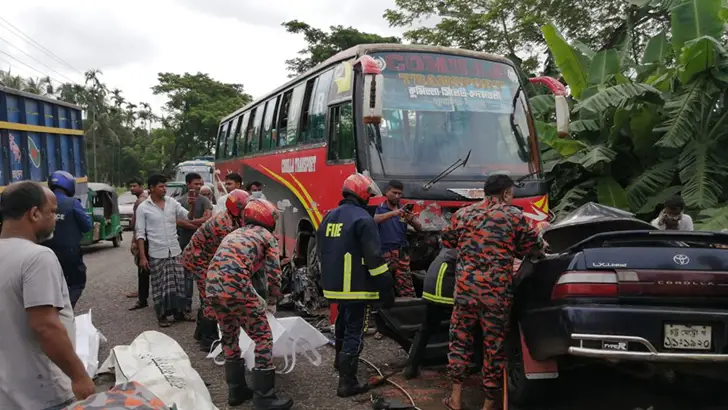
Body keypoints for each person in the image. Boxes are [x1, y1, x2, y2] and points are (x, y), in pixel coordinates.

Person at [442, 174, 545, 410]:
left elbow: (447, 240)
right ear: (506, 193)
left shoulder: (464, 213)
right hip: (495, 294)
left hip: (466, 291)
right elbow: (533, 248)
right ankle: (488, 404)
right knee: (494, 347)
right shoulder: (513, 215)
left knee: (459, 342)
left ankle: (455, 399)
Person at [0, 181, 95, 409]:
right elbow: (46, 327)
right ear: (34, 213)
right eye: (52, 211)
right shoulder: (37, 257)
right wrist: (80, 376)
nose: (55, 218)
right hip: (41, 394)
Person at [206, 199, 293, 409]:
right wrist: (273, 300)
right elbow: (273, 273)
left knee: (229, 335)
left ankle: (236, 391)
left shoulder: (234, 233)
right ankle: (264, 397)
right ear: (268, 218)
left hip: (212, 287)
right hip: (237, 287)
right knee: (263, 337)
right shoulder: (266, 236)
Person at [317, 173, 395, 398]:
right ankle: (347, 382)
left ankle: (340, 364)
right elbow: (374, 258)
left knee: (342, 322)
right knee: (355, 330)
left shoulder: (330, 216)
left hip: (334, 285)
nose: (369, 198)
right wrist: (386, 287)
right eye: (369, 195)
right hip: (358, 286)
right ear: (362, 194)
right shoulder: (363, 218)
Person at [181, 189, 250, 352]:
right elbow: (230, 253)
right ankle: (208, 339)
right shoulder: (224, 224)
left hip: (207, 257)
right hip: (200, 259)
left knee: (209, 297)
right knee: (211, 297)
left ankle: (200, 333)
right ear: (235, 208)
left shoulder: (233, 218)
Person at [135, 173, 194, 327]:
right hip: (157, 252)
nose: (164, 189)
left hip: (174, 250)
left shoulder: (172, 203)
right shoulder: (143, 208)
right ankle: (162, 316)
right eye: (161, 186)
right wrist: (142, 257)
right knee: (160, 286)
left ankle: (179, 313)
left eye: (165, 186)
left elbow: (188, 216)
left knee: (179, 282)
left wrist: (192, 204)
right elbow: (140, 234)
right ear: (152, 188)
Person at [402, 246, 456, 379]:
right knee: (460, 329)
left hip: (432, 284)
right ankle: (460, 370)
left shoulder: (449, 245)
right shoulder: (473, 244)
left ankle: (411, 367)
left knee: (426, 327)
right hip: (443, 286)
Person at [43, 170, 92, 308]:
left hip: (45, 251)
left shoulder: (41, 203)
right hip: (70, 253)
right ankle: (64, 310)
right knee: (77, 283)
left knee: (51, 284)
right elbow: (86, 226)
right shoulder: (72, 203)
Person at [374, 180, 422, 297]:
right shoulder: (379, 208)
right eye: (394, 193)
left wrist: (411, 219)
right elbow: (373, 220)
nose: (397, 196)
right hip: (384, 254)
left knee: (407, 292)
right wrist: (394, 213)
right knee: (382, 289)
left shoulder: (403, 209)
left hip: (401, 255)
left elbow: (419, 228)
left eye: (399, 194)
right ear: (386, 192)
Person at [177, 172, 213, 317]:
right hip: (185, 243)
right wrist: (198, 225)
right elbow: (179, 221)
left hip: (204, 245)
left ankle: (206, 306)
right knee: (186, 276)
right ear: (188, 184)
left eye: (200, 184)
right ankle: (186, 306)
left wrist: (190, 223)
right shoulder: (179, 201)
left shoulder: (204, 200)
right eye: (195, 184)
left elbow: (208, 218)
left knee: (204, 276)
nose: (198, 186)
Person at [127, 177, 150, 310]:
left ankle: (142, 298)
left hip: (143, 238)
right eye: (130, 186)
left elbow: (138, 224)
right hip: (144, 237)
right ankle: (142, 294)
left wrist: (134, 240)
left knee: (143, 268)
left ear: (141, 186)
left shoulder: (141, 201)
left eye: (134, 186)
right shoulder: (142, 200)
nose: (132, 188)